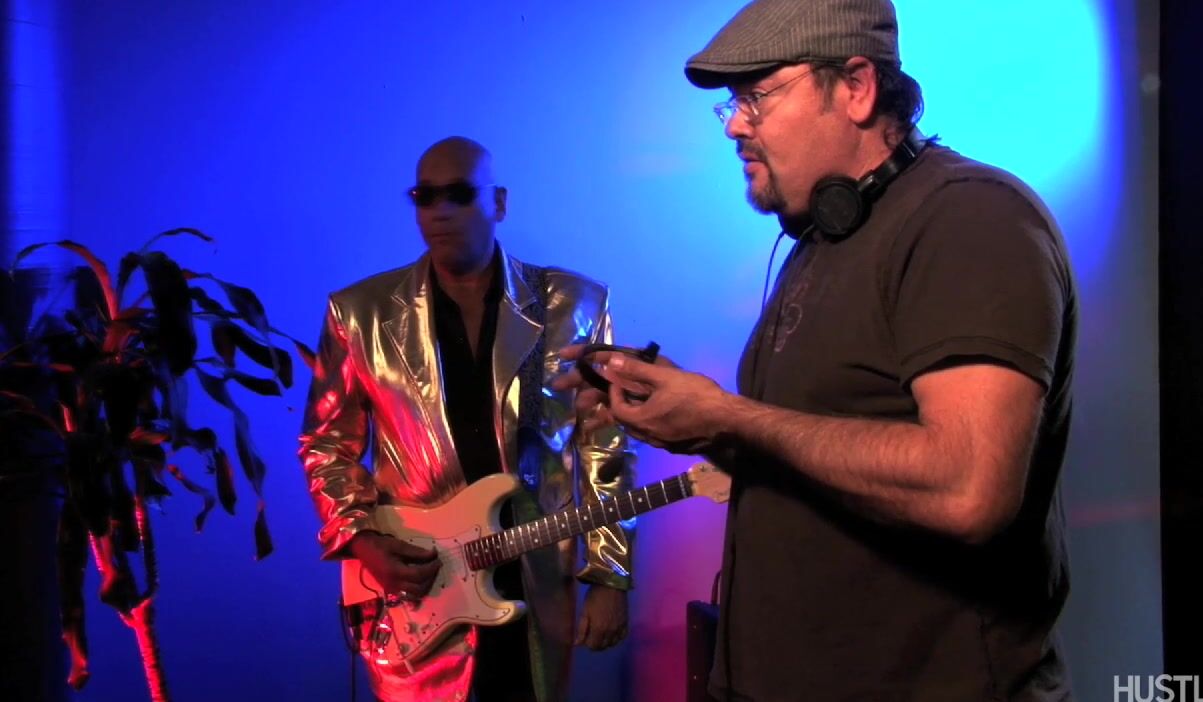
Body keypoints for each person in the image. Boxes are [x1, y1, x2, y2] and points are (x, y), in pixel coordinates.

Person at [558, 1, 1078, 699]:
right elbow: (808, 452)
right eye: (732, 104)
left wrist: (730, 417)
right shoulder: (821, 239)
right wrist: (689, 414)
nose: (734, 124)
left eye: (757, 96)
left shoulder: (971, 218)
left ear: (857, 87)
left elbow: (966, 488)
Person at [299, 136, 633, 702]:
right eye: (425, 197)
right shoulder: (359, 314)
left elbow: (604, 446)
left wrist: (609, 575)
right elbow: (326, 444)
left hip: (532, 584)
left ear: (498, 202)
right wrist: (362, 540)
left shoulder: (574, 304)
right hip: (419, 592)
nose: (440, 211)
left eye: (458, 194)